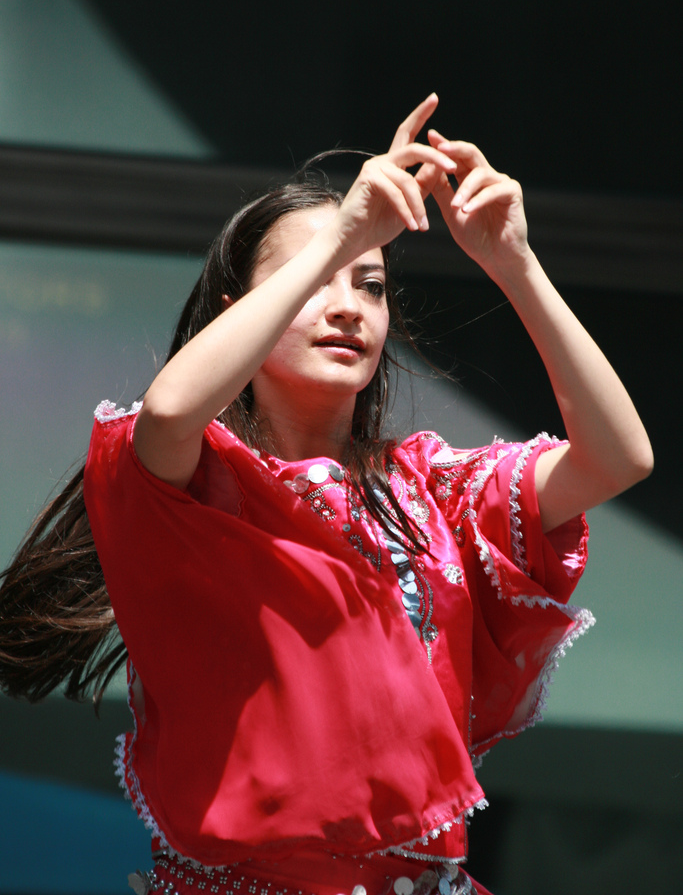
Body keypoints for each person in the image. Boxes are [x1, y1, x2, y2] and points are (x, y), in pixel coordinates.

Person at [0, 95, 653, 895]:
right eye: (315, 279)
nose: (349, 304)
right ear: (240, 314)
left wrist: (513, 260)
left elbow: (618, 458)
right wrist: (344, 232)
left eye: (371, 284)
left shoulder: (428, 489)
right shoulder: (192, 481)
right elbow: (171, 409)